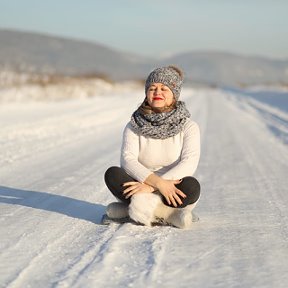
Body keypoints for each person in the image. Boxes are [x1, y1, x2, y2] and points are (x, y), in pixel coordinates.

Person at [103, 65, 201, 229]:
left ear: (174, 95)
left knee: (191, 187)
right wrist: (155, 183)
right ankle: (169, 214)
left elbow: (189, 162)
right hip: (138, 183)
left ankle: (129, 211)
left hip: (171, 187)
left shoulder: (189, 127)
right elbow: (128, 160)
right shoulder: (134, 125)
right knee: (113, 174)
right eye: (152, 88)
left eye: (164, 88)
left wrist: (153, 186)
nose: (157, 93)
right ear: (147, 93)